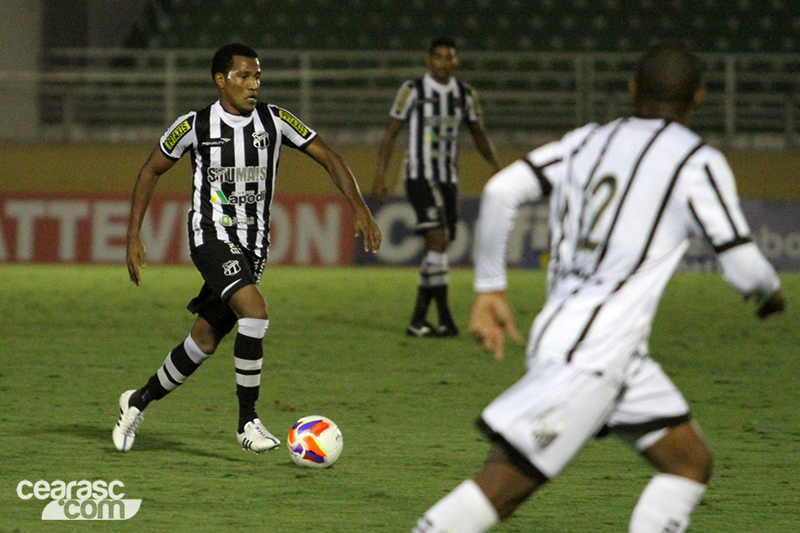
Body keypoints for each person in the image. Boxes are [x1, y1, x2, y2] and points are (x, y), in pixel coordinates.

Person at [412, 43, 784, 533]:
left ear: (632, 90)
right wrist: (770, 291)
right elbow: (743, 267)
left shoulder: (587, 140)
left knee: (689, 462)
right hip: (592, 354)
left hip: (604, 346)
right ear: (699, 99)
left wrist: (490, 290)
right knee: (504, 485)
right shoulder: (695, 160)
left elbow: (502, 190)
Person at [113, 43, 382, 454]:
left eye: (257, 76)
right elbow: (150, 170)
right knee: (254, 312)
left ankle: (138, 401)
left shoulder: (275, 120)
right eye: (244, 76)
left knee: (203, 340)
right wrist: (132, 235)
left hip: (253, 247)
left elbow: (328, 155)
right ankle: (247, 421)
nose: (253, 85)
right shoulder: (194, 125)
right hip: (210, 236)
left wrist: (359, 206)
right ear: (221, 80)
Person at [372, 36, 501, 338]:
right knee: (438, 237)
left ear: (456, 61)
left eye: (449, 57)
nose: (444, 62)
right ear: (430, 60)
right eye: (439, 57)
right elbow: (390, 133)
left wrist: (496, 166)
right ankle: (444, 318)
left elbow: (478, 132)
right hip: (419, 175)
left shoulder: (466, 94)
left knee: (439, 246)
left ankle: (419, 320)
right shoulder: (412, 90)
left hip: (448, 180)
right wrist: (380, 175)